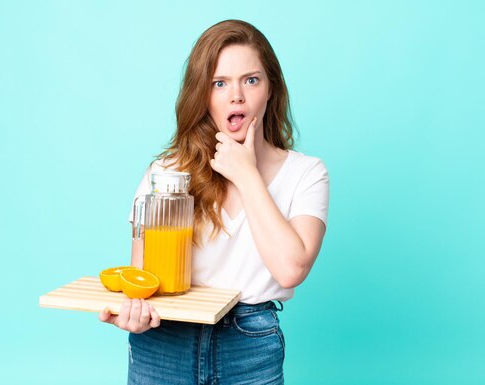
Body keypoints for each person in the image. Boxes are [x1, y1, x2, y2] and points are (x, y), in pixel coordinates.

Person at [99, 19, 329, 384]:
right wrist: (134, 314)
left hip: (249, 343)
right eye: (219, 83)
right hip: (164, 342)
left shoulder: (306, 173)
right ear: (203, 96)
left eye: (251, 80)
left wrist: (246, 173)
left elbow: (291, 269)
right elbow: (143, 279)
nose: (236, 96)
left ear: (271, 89)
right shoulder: (166, 174)